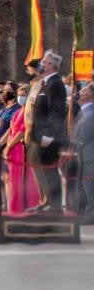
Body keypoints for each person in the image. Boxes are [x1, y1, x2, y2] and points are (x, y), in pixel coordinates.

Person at [25, 51, 70, 212]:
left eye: (45, 62)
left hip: (48, 138)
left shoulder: (56, 84)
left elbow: (56, 111)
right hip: (38, 135)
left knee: (49, 172)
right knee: (40, 171)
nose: (42, 64)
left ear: (52, 66)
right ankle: (46, 200)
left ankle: (54, 206)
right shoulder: (44, 83)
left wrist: (49, 134)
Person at [74, 83, 94, 224]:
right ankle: (85, 212)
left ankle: (91, 214)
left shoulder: (91, 112)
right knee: (84, 186)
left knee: (90, 187)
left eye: (84, 90)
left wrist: (72, 146)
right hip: (82, 155)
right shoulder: (84, 111)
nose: (81, 92)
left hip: (89, 155)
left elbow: (84, 135)